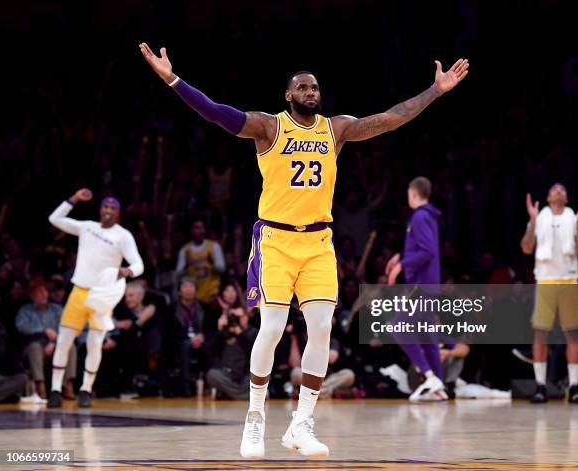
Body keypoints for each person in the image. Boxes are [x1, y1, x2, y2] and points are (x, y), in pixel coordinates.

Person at [140, 41, 468, 459]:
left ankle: (301, 423)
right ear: (288, 95)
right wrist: (173, 79)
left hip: (318, 242)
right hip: (276, 240)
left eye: (315, 87)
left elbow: (390, 119)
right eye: (302, 87)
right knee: (273, 327)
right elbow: (216, 113)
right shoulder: (269, 127)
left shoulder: (337, 129)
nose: (311, 91)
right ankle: (255, 419)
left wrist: (435, 91)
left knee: (322, 329)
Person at [46, 189, 144, 408]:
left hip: (102, 295)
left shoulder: (123, 235)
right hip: (79, 291)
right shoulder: (87, 227)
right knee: (63, 341)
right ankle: (55, 390)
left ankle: (85, 390)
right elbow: (54, 219)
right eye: (105, 207)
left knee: (95, 343)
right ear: (100, 210)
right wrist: (73, 199)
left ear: (118, 213)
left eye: (113, 208)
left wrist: (127, 271)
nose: (108, 211)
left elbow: (139, 265)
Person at [520, 184, 578, 404]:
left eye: (563, 189)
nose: (559, 191)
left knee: (572, 334)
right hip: (544, 280)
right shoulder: (539, 218)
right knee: (540, 333)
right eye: (554, 189)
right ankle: (540, 386)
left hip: (569, 279)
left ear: (567, 197)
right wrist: (532, 221)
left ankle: (574, 387)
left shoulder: (574, 218)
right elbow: (526, 248)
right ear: (548, 197)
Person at [385, 176, 446, 401]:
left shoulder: (420, 216)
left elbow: (427, 251)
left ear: (413, 193)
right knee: (427, 336)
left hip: (421, 285)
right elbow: (421, 248)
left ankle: (430, 376)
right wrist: (400, 256)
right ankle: (439, 388)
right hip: (430, 284)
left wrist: (402, 265)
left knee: (398, 327)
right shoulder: (428, 215)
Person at [15, 281, 76, 399]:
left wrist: (53, 342)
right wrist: (44, 330)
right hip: (35, 345)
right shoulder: (25, 311)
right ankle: (40, 387)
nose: (43, 295)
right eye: (39, 292)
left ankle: (68, 385)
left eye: (45, 291)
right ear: (32, 295)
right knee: (35, 348)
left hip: (56, 345)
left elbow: (66, 327)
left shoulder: (57, 309)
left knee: (70, 346)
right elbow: (22, 327)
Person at [176, 220, 226, 305]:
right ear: (191, 231)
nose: (200, 231)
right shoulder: (185, 250)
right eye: (197, 228)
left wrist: (213, 263)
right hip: (193, 298)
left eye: (202, 228)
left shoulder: (213, 246)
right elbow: (178, 274)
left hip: (212, 295)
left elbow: (222, 269)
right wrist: (186, 266)